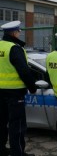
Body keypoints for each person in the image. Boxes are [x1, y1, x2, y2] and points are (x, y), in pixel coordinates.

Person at [0, 21, 37, 156]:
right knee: (17, 126)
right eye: (19, 31)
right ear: (14, 32)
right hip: (14, 94)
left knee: (2, 124)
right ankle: (18, 153)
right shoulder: (14, 48)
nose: (19, 33)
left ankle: (2, 150)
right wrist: (32, 87)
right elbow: (24, 71)